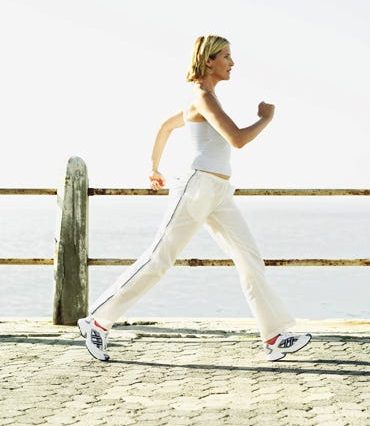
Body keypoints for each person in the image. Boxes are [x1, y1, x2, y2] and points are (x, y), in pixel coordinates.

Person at [78, 35, 311, 362]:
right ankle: (97, 322)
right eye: (227, 56)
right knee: (159, 258)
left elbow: (165, 126)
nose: (232, 63)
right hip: (197, 186)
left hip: (218, 193)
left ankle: (273, 337)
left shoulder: (203, 99)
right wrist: (265, 118)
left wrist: (153, 166)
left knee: (250, 259)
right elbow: (238, 139)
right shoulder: (202, 96)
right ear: (209, 60)